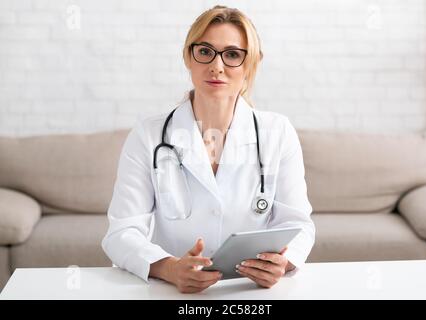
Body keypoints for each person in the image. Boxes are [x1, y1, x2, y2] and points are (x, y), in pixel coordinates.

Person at [102, 5, 315, 294]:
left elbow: (299, 224)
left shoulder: (277, 132)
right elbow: (122, 232)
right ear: (188, 57)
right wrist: (169, 268)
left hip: (249, 291)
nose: (217, 66)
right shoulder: (148, 136)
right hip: (171, 290)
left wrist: (282, 263)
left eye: (232, 54)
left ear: (252, 62)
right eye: (205, 52)